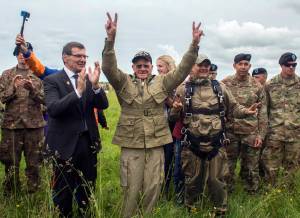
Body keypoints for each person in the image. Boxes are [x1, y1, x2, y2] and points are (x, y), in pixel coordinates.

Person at [101, 12, 203, 218]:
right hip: (131, 143)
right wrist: (110, 41)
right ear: (133, 67)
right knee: (130, 186)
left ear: (150, 67)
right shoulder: (123, 81)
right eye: (138, 65)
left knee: (153, 185)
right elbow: (108, 68)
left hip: (156, 143)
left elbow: (182, 69)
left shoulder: (162, 82)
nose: (142, 68)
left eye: (146, 65)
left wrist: (193, 45)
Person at [170, 54, 260, 216]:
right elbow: (173, 118)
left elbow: (234, 108)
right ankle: (191, 209)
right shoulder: (183, 89)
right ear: (192, 67)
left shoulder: (220, 88)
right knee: (193, 180)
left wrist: (247, 111)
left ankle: (220, 210)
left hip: (216, 143)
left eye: (207, 65)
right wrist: (175, 110)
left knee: (217, 180)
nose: (204, 68)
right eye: (200, 65)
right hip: (191, 144)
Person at [44, 42, 109, 217]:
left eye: (84, 56)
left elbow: (103, 104)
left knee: (86, 192)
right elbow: (53, 109)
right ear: (65, 58)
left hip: (88, 145)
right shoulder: (52, 81)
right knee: (62, 193)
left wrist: (95, 87)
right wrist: (78, 92)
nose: (82, 59)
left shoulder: (88, 79)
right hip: (63, 147)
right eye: (78, 56)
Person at [0, 42, 45, 194]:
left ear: (29, 54)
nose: (21, 55)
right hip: (11, 127)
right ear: (16, 54)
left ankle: (33, 195)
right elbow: (2, 98)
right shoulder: (6, 74)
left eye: (24, 52)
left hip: (35, 127)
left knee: (35, 163)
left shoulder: (39, 76)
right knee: (10, 164)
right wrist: (13, 87)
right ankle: (11, 195)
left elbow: (45, 101)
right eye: (18, 52)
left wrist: (32, 90)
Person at [222, 53, 268, 194]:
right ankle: (227, 193)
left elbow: (263, 113)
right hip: (231, 132)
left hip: (250, 133)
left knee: (251, 167)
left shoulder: (257, 86)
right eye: (240, 64)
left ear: (250, 66)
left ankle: (252, 193)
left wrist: (260, 135)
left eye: (246, 64)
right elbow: (220, 108)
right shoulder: (225, 83)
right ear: (234, 65)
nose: (243, 67)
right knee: (228, 166)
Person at [262, 52, 299, 185]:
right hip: (275, 134)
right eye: (288, 65)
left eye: (294, 65)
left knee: (292, 166)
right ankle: (270, 191)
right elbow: (264, 111)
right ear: (281, 65)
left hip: (295, 134)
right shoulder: (270, 85)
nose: (291, 68)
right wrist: (262, 133)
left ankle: (286, 193)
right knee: (271, 164)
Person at [156, 55, 177, 198]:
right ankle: (160, 189)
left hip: (171, 127)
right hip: (158, 126)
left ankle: (165, 190)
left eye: (160, 66)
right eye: (156, 67)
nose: (158, 70)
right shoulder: (158, 81)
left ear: (169, 66)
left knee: (169, 160)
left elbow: (175, 105)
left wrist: (163, 95)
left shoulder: (176, 83)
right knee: (160, 160)